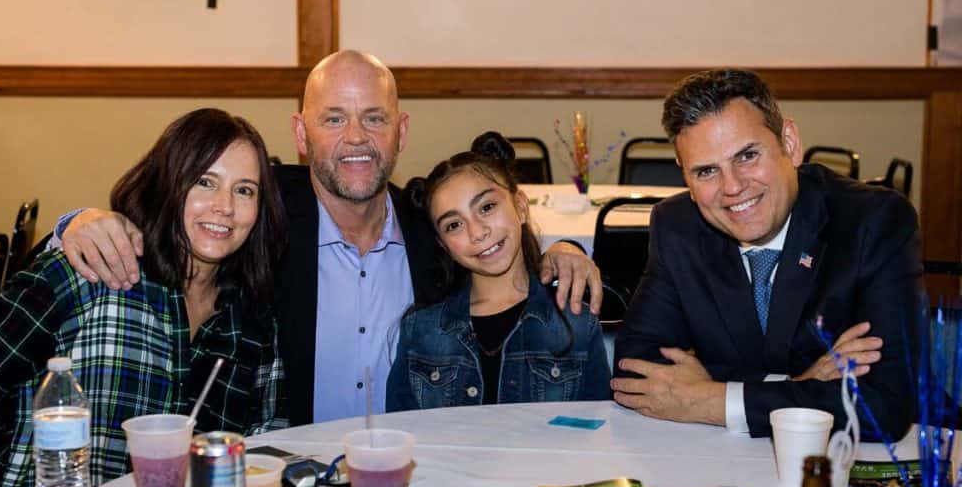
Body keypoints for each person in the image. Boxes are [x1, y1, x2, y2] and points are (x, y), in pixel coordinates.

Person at [56, 50, 603, 425]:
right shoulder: (262, 219)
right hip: (292, 484)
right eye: (334, 119)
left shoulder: (428, 228)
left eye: (374, 118)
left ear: (401, 131)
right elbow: (176, 212)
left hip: (411, 480)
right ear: (300, 134)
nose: (357, 138)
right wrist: (76, 222)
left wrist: (562, 250)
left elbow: (493, 243)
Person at [0, 108, 288, 487]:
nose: (224, 205)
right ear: (168, 183)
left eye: (244, 190)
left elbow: (263, 444)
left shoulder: (252, 322)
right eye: (204, 182)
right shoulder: (91, 275)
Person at [611, 68, 921, 440]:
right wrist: (801, 383)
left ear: (789, 143)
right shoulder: (677, 226)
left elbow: (882, 406)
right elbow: (635, 375)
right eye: (706, 171)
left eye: (747, 156)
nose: (733, 187)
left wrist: (712, 400)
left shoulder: (872, 222)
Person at [386, 138, 611, 411]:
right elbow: (401, 436)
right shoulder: (420, 331)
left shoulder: (575, 324)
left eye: (487, 207)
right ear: (443, 245)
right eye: (454, 224)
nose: (477, 232)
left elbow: (597, 433)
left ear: (520, 206)